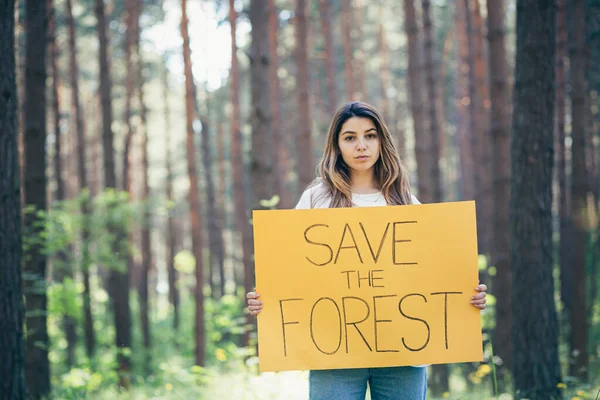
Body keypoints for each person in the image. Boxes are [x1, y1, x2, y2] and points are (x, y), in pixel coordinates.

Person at [246, 101, 487, 400]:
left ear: (381, 141)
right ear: (337, 145)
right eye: (350, 137)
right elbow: (289, 268)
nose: (361, 145)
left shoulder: (405, 202)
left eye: (370, 135)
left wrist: (467, 296)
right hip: (334, 353)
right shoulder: (316, 199)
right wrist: (265, 298)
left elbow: (437, 274)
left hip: (404, 354)